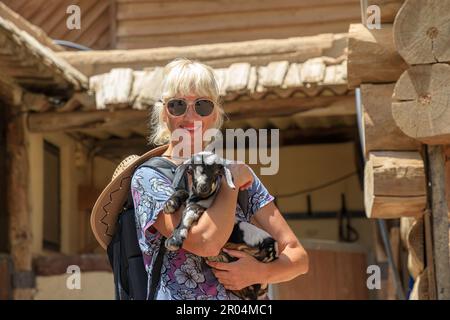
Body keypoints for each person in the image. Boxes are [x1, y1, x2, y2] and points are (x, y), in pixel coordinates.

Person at [130, 58, 309, 300]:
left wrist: (259, 272)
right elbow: (205, 242)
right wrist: (231, 183)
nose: (190, 115)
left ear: (214, 114)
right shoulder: (150, 177)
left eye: (202, 105)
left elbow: (298, 257)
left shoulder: (237, 172)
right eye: (177, 105)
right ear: (163, 113)